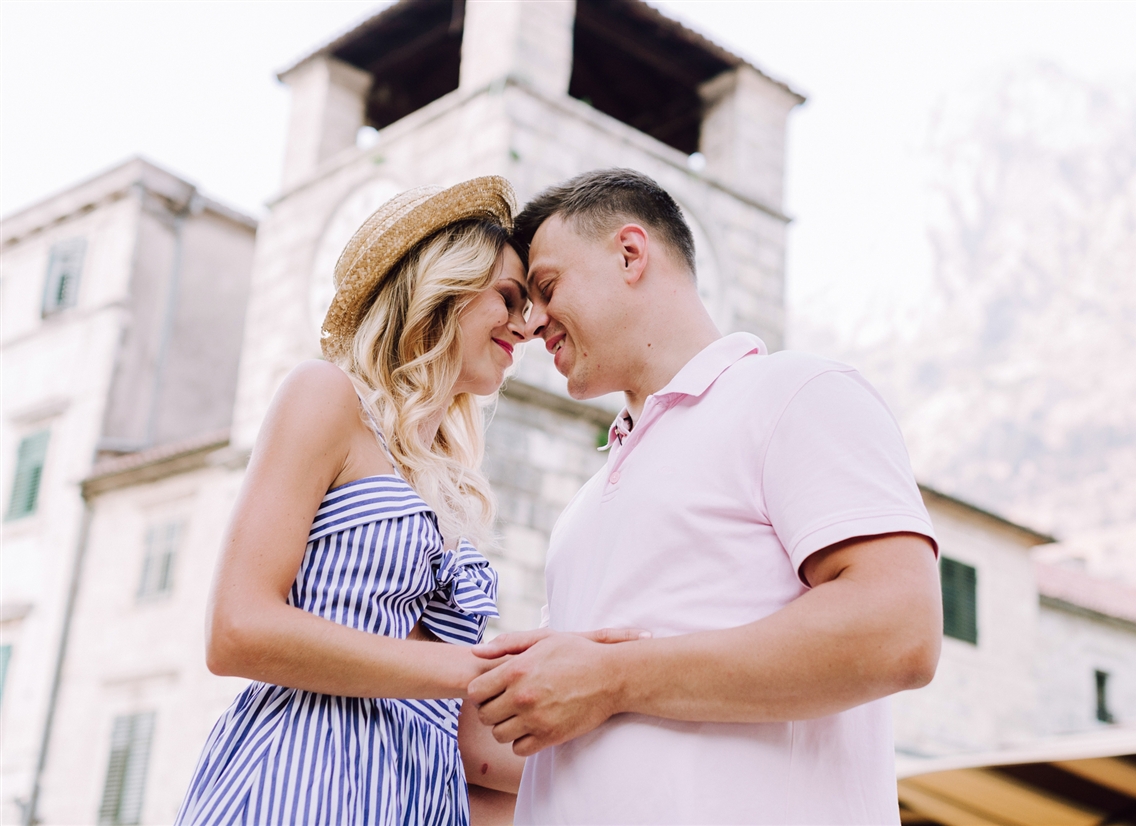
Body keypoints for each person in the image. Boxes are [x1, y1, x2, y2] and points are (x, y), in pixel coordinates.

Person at [468, 168, 944, 824]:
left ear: (630, 254)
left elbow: (897, 631)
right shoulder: (582, 509)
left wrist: (611, 679)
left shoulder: (795, 393)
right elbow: (566, 736)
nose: (532, 323)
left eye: (546, 288)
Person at [176, 177, 624, 824]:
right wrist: (484, 665)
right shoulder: (326, 397)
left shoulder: (451, 485)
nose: (528, 327)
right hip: (298, 782)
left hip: (417, 797)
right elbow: (238, 630)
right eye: (509, 298)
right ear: (443, 288)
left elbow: (454, 731)